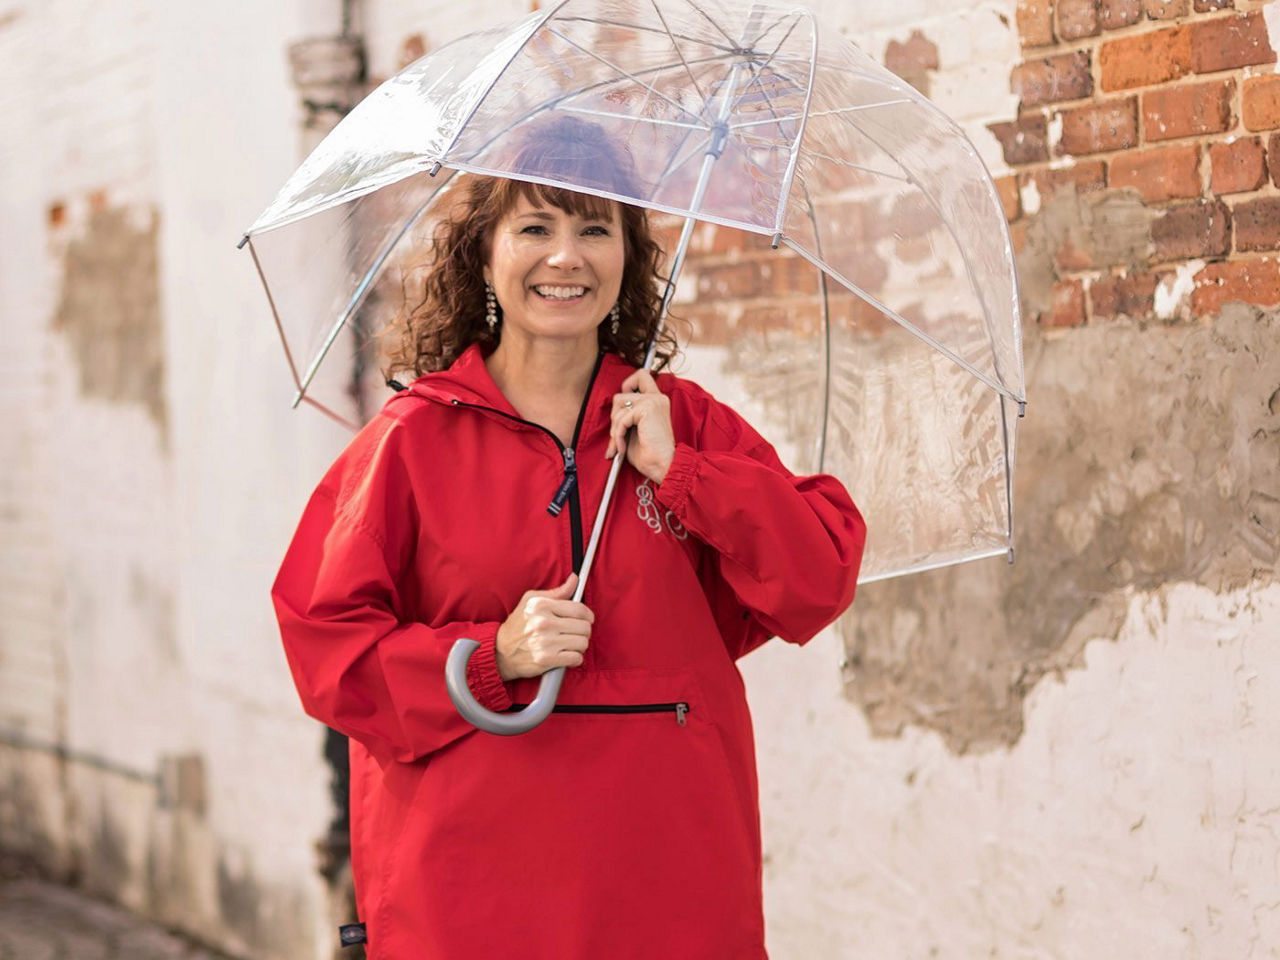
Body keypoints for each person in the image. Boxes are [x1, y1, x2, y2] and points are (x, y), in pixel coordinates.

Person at [271, 117, 866, 960]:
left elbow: (816, 575)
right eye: (536, 228)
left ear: (628, 256)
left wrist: (686, 474)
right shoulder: (410, 442)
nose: (566, 257)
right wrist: (491, 658)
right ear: (484, 254)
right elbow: (326, 648)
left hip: (669, 885)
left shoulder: (681, 423)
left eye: (596, 228)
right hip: (471, 897)